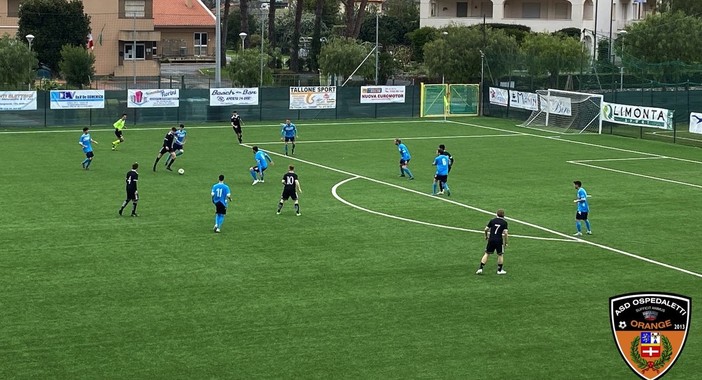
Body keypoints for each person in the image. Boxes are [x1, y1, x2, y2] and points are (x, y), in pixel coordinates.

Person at [476, 209, 509, 275]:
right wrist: (506, 242)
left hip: (491, 239)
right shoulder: (504, 223)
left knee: (487, 254)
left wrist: (486, 236)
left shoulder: (492, 221)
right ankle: (499, 270)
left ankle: (480, 268)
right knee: (500, 254)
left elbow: (486, 229)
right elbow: (505, 233)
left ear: (496, 214)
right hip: (499, 240)